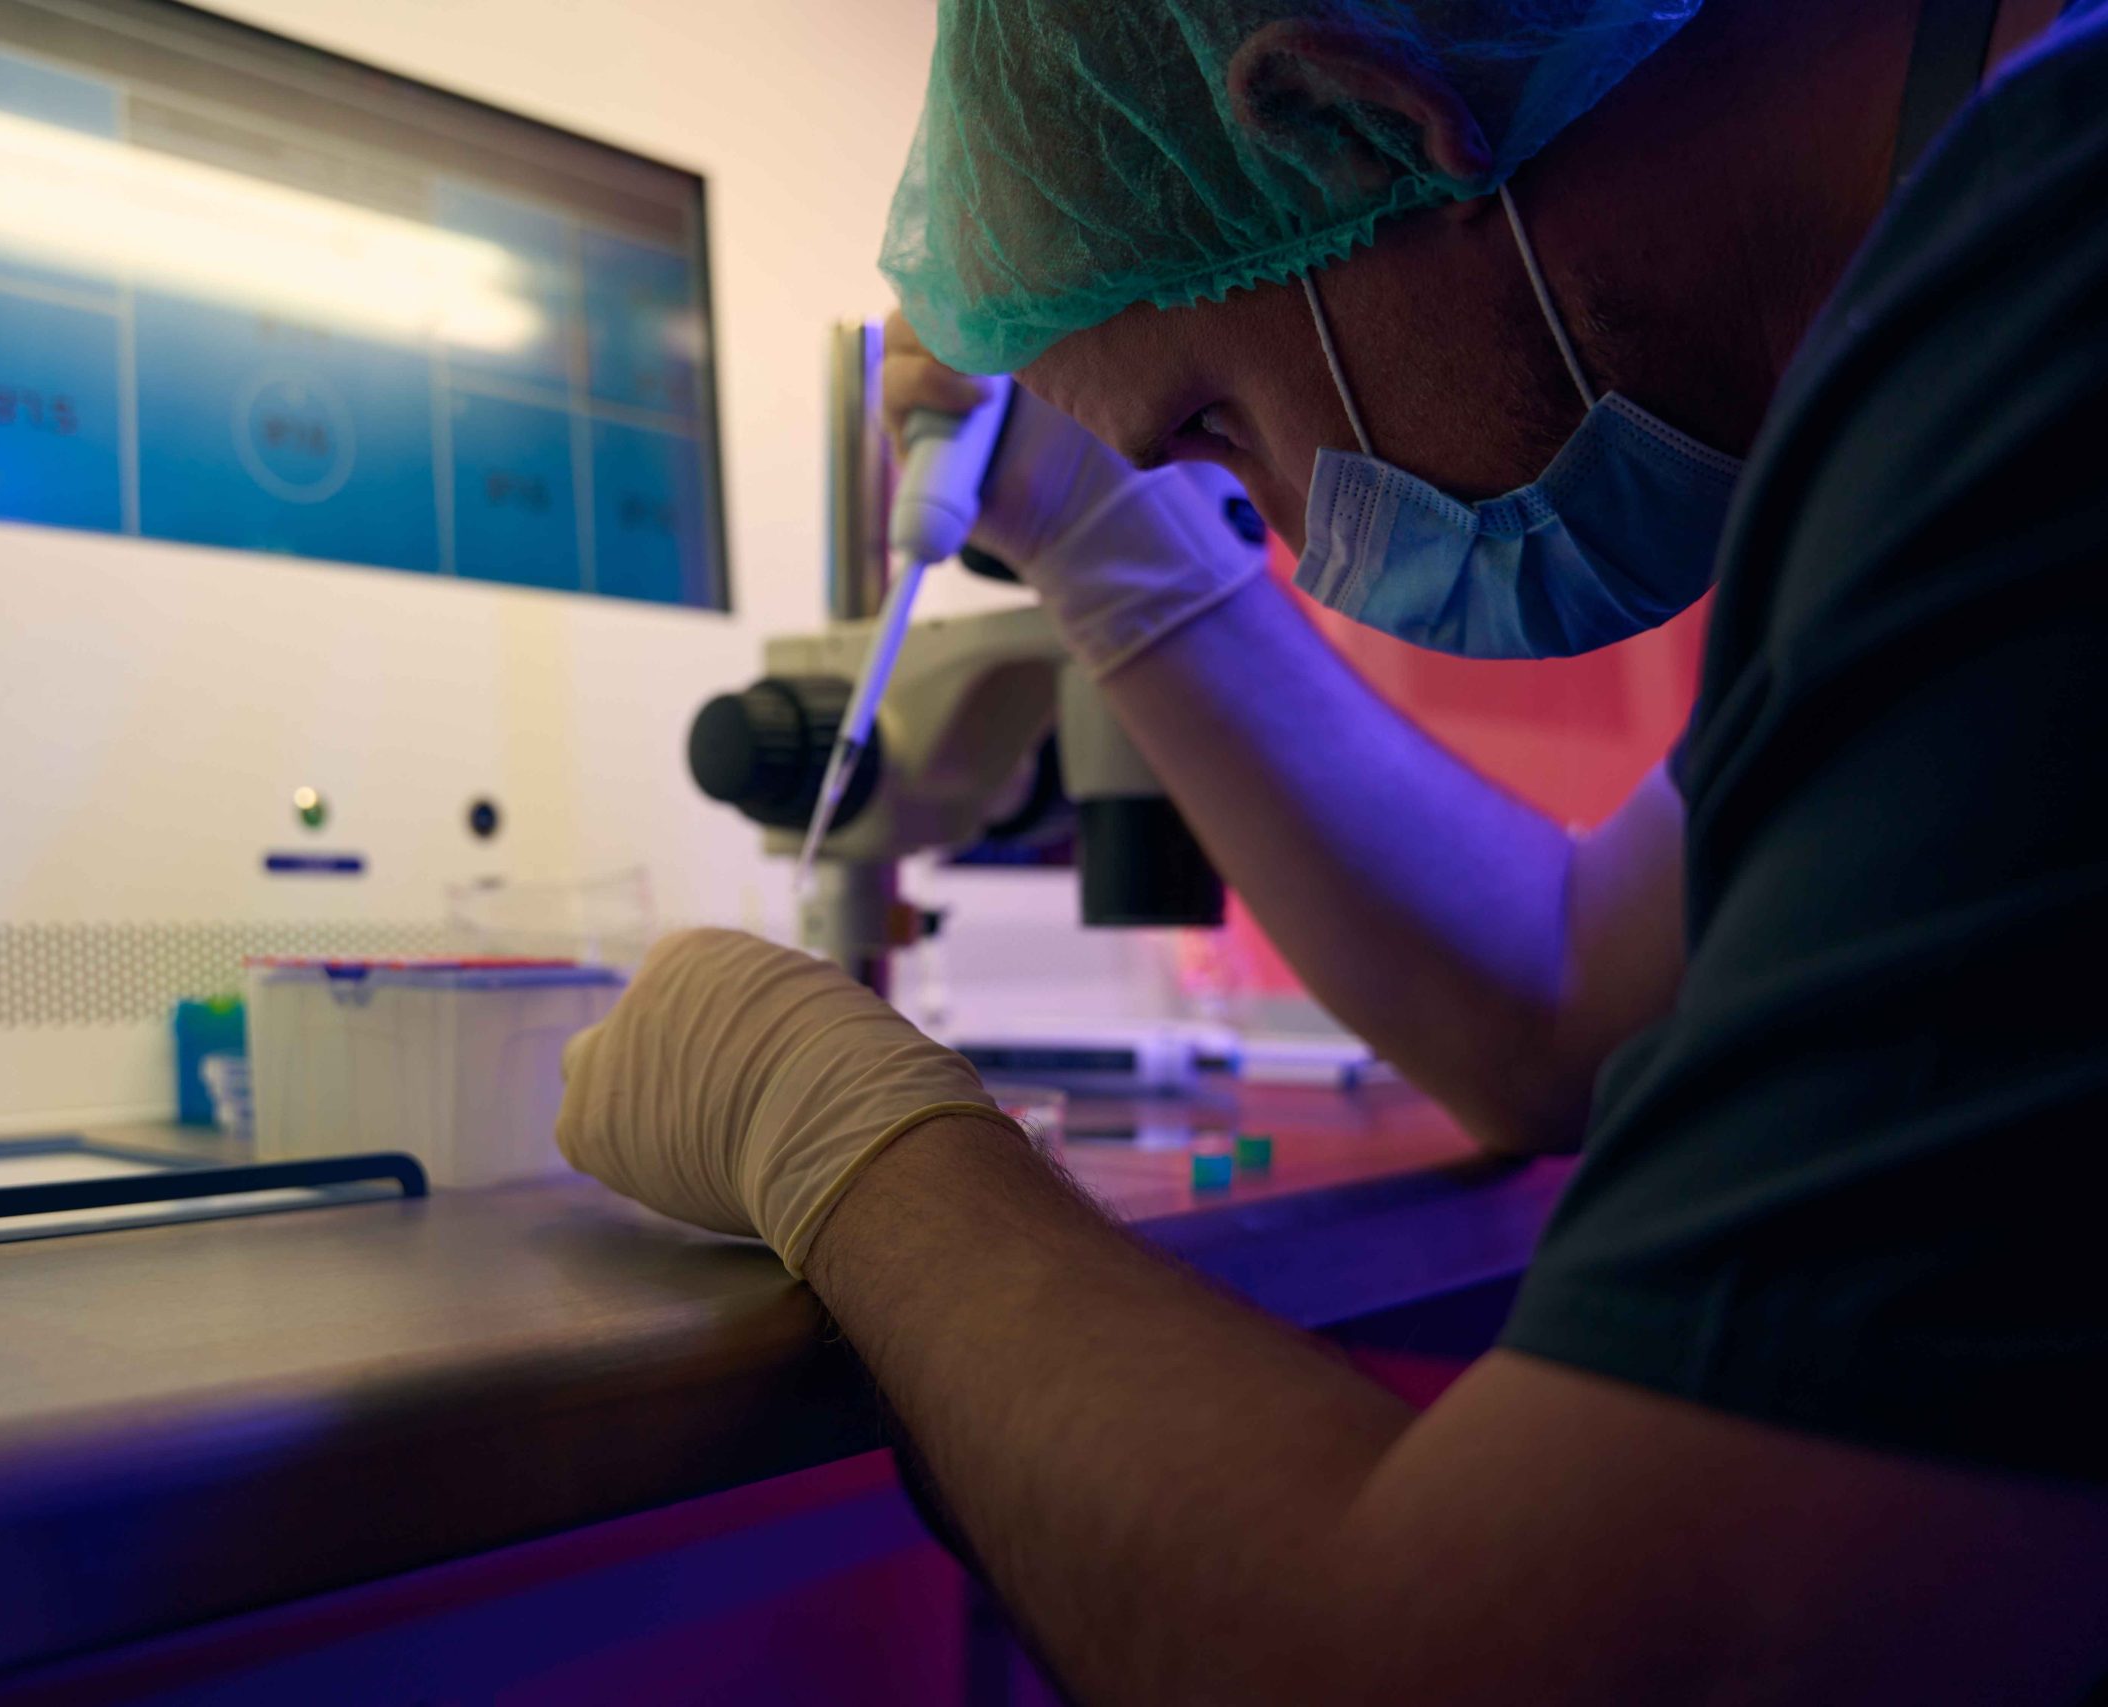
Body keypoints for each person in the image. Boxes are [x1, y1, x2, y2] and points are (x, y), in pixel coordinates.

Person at [558, 0, 2108, 1699]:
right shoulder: (1959, 341)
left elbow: (1480, 1666)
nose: (1282, 533)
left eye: (1214, 431)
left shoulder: (2055, 292)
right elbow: (1575, 1001)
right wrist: (1112, 545)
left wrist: (836, 1135)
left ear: (1356, 124)